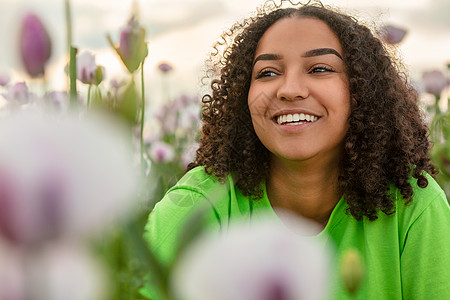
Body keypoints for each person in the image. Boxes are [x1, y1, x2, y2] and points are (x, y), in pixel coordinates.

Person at [143, 1, 450, 299]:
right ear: (242, 97)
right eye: (267, 72)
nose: (290, 89)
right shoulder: (197, 206)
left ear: (362, 91)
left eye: (318, 68)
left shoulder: (415, 208)